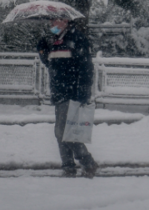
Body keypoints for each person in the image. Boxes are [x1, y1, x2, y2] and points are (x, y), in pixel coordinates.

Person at [37, 16, 99, 178]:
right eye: (50, 21)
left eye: (54, 21)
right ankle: (68, 166)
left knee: (63, 132)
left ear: (65, 21)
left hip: (72, 92)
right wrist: (42, 48)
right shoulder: (55, 40)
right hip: (58, 92)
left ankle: (87, 162)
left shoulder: (77, 38)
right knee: (62, 132)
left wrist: (83, 92)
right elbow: (50, 63)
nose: (51, 24)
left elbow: (86, 68)